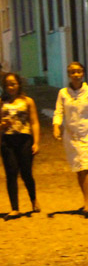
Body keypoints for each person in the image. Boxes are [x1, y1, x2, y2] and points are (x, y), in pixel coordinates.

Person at [52, 62, 88, 217]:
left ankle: (86, 202)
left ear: (83, 73)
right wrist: (56, 126)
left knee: (87, 166)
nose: (76, 75)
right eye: (72, 72)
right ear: (68, 74)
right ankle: (87, 199)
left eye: (78, 71)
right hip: (71, 135)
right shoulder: (63, 93)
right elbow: (58, 112)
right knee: (78, 168)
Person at [0, 73, 40, 218]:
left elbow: (34, 122)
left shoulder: (28, 101)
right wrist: (2, 125)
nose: (11, 87)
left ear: (19, 84)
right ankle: (14, 207)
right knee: (11, 174)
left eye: (13, 84)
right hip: (7, 141)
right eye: (8, 84)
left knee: (26, 173)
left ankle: (33, 199)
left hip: (24, 140)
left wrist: (36, 142)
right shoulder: (2, 102)